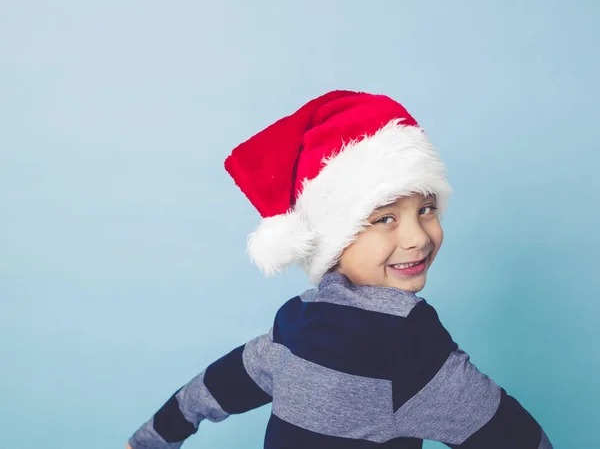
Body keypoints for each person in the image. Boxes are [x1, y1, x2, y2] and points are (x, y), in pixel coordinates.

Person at [127, 90, 554, 448]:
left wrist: (147, 441)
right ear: (333, 238)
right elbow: (518, 439)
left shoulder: (299, 319)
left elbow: (215, 388)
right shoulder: (404, 340)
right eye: (384, 218)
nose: (418, 237)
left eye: (427, 209)